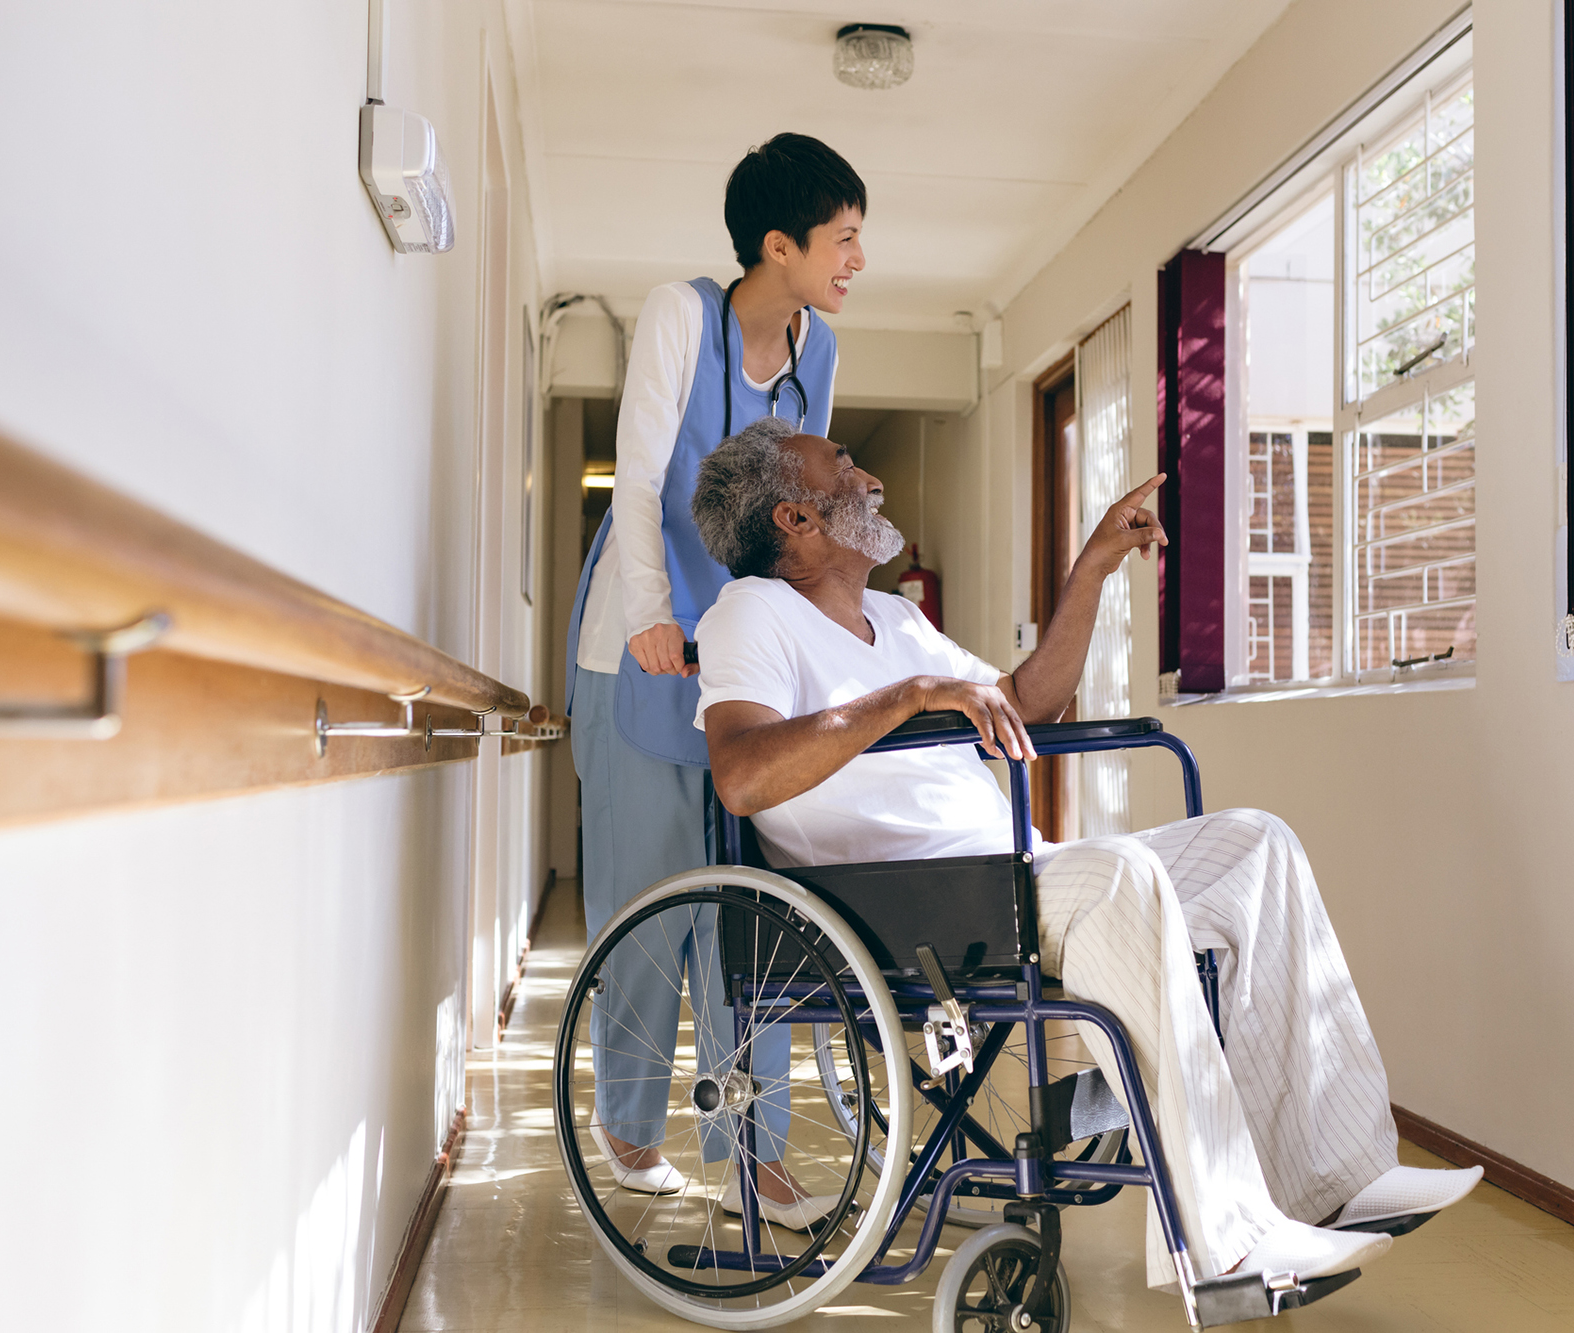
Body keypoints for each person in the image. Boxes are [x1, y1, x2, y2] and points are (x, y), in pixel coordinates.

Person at [686, 416, 1485, 1290]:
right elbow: (743, 773)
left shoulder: (896, 617)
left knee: (1258, 842)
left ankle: (1344, 1179)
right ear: (794, 520)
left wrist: (1095, 565)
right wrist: (912, 697)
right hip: (912, 902)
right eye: (840, 464)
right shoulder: (748, 615)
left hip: (1008, 874)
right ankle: (1230, 1249)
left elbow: (1025, 702)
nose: (866, 475)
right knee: (1124, 876)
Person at [563, 134, 866, 1229]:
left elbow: (802, 510)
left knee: (755, 915)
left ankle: (758, 1157)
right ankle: (630, 1122)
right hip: (639, 653)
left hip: (740, 659)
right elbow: (640, 479)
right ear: (775, 245)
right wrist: (651, 614)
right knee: (647, 908)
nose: (855, 259)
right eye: (841, 239)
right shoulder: (679, 316)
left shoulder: (815, 350)